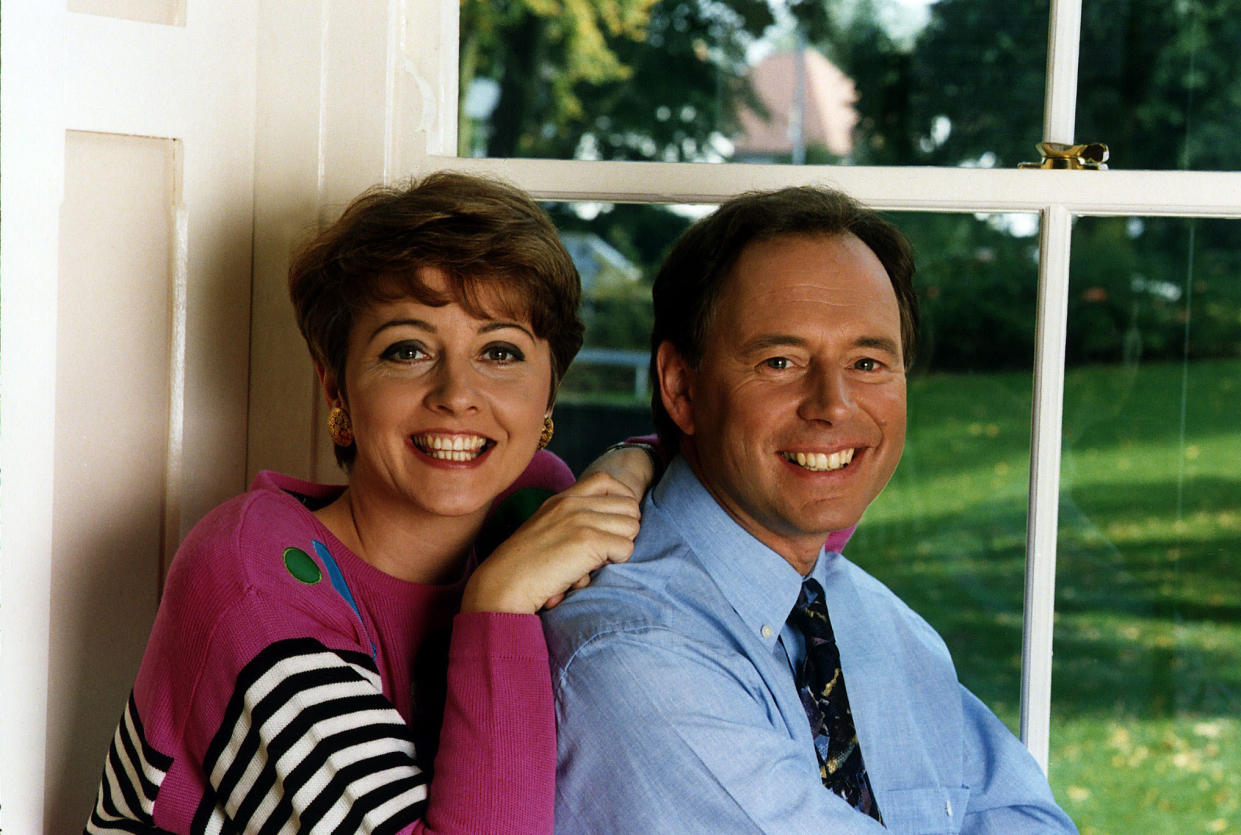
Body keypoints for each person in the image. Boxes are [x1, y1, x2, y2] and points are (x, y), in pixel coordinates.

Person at [85, 172, 653, 833]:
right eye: (407, 350)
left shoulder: (527, 505)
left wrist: (628, 464)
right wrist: (496, 603)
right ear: (337, 385)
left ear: (548, 393)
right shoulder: (252, 583)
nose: (457, 393)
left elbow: (691, 465)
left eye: (499, 351)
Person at [543, 185, 1078, 833]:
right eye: (780, 360)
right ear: (681, 388)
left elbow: (1027, 817)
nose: (832, 403)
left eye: (867, 361)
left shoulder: (880, 624)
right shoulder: (629, 656)